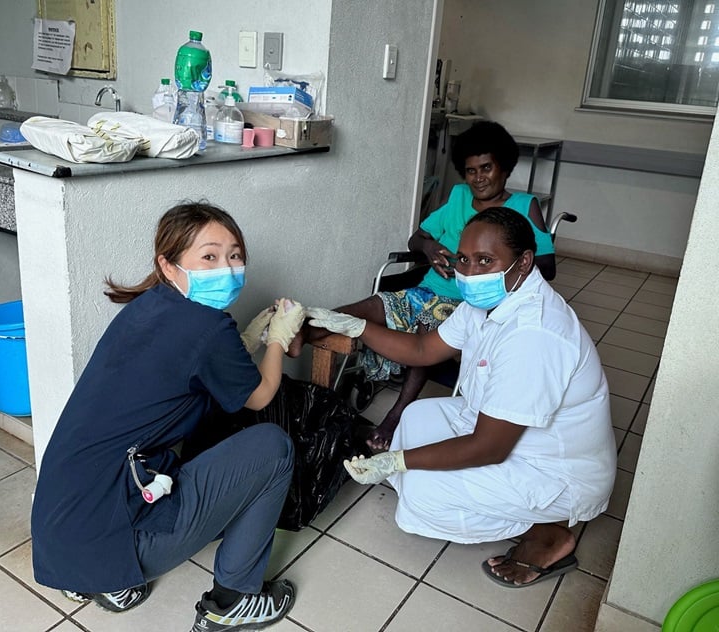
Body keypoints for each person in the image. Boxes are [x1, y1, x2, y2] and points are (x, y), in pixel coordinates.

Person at [306, 207, 616, 587]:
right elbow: (423, 349)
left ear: (523, 262)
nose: (469, 273)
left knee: (422, 492)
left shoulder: (535, 335)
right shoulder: (488, 302)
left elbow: (489, 448)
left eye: (485, 261)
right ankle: (502, 505)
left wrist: (397, 461)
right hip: (514, 435)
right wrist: (357, 326)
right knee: (416, 416)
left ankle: (546, 532)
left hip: (554, 469)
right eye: (463, 260)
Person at [31, 202, 304, 631]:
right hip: (114, 535)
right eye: (209, 256)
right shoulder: (208, 327)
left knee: (205, 425)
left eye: (235, 255)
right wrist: (278, 339)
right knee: (274, 448)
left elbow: (197, 364)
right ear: (168, 264)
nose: (227, 268)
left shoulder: (147, 307)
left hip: (61, 533)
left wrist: (246, 339)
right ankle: (234, 600)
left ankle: (105, 582)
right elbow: (260, 396)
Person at [293, 120, 556, 453]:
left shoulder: (523, 206)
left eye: (486, 168)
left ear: (504, 167)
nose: (478, 178)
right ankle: (303, 332)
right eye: (471, 170)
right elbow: (417, 238)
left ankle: (395, 416)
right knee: (374, 305)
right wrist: (429, 248)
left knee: (427, 325)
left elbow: (547, 266)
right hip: (428, 290)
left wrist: (486, 265)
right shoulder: (459, 196)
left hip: (472, 303)